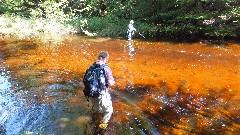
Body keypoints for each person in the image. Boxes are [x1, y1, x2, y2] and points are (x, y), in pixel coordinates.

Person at [89, 51, 115, 129]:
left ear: (98, 58)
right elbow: (110, 83)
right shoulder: (106, 68)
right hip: (101, 94)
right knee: (109, 110)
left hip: (91, 93)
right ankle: (102, 125)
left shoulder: (92, 66)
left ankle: (92, 122)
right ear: (106, 59)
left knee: (95, 109)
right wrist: (113, 81)